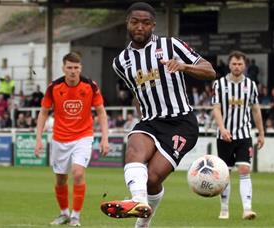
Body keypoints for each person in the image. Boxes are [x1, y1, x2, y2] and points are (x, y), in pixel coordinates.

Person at [100, 2, 216, 228]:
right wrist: (142, 118)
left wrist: (183, 66)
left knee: (152, 180)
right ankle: (138, 200)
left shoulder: (171, 45)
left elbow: (210, 70)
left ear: (153, 25)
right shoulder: (120, 63)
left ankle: (142, 222)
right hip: (151, 121)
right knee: (134, 145)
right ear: (127, 24)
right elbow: (136, 92)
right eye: (135, 22)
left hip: (181, 122)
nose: (139, 27)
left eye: (145, 23)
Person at [34, 52, 109, 227]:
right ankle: (64, 214)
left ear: (80, 68)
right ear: (63, 68)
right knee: (61, 179)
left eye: (76, 67)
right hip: (59, 138)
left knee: (78, 173)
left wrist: (105, 138)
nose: (73, 71)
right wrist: (38, 138)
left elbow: (101, 112)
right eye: (69, 67)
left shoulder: (90, 86)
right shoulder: (54, 87)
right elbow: (43, 112)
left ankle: (75, 216)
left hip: (83, 137)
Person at [211, 51, 264, 220]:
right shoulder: (219, 84)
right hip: (224, 135)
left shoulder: (251, 85)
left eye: (240, 64)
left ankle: (247, 209)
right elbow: (216, 108)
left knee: (244, 169)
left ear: (245, 65)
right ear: (229, 65)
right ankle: (224, 209)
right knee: (225, 173)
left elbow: (255, 110)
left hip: (244, 134)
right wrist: (222, 128)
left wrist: (261, 133)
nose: (237, 66)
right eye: (234, 63)